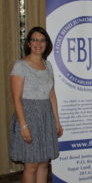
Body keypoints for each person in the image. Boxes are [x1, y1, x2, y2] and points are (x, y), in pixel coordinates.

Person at [10, 26, 63, 183]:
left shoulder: (48, 66)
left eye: (42, 40)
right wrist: (23, 126)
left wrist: (57, 122)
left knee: (44, 163)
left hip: (46, 118)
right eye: (34, 40)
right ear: (28, 43)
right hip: (28, 117)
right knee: (31, 165)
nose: (38, 44)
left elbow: (52, 95)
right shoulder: (20, 65)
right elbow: (16, 97)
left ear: (46, 44)